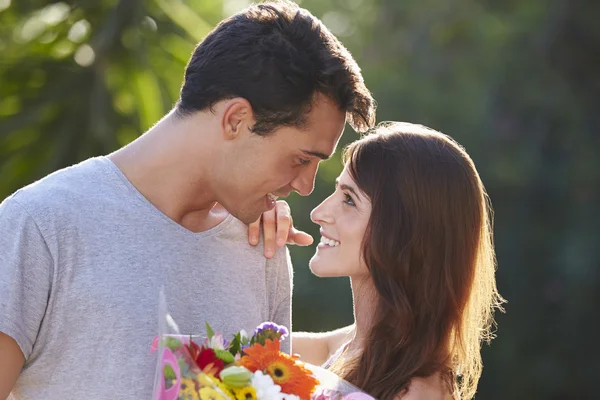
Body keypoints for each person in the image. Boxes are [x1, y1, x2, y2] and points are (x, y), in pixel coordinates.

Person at [0, 1, 376, 398]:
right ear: (235, 119)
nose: (305, 186)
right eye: (301, 159)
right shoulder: (38, 226)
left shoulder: (261, 250)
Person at [292, 122, 505, 400]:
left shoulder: (415, 393)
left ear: (403, 230)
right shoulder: (344, 348)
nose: (318, 213)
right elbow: (233, 344)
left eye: (348, 200)